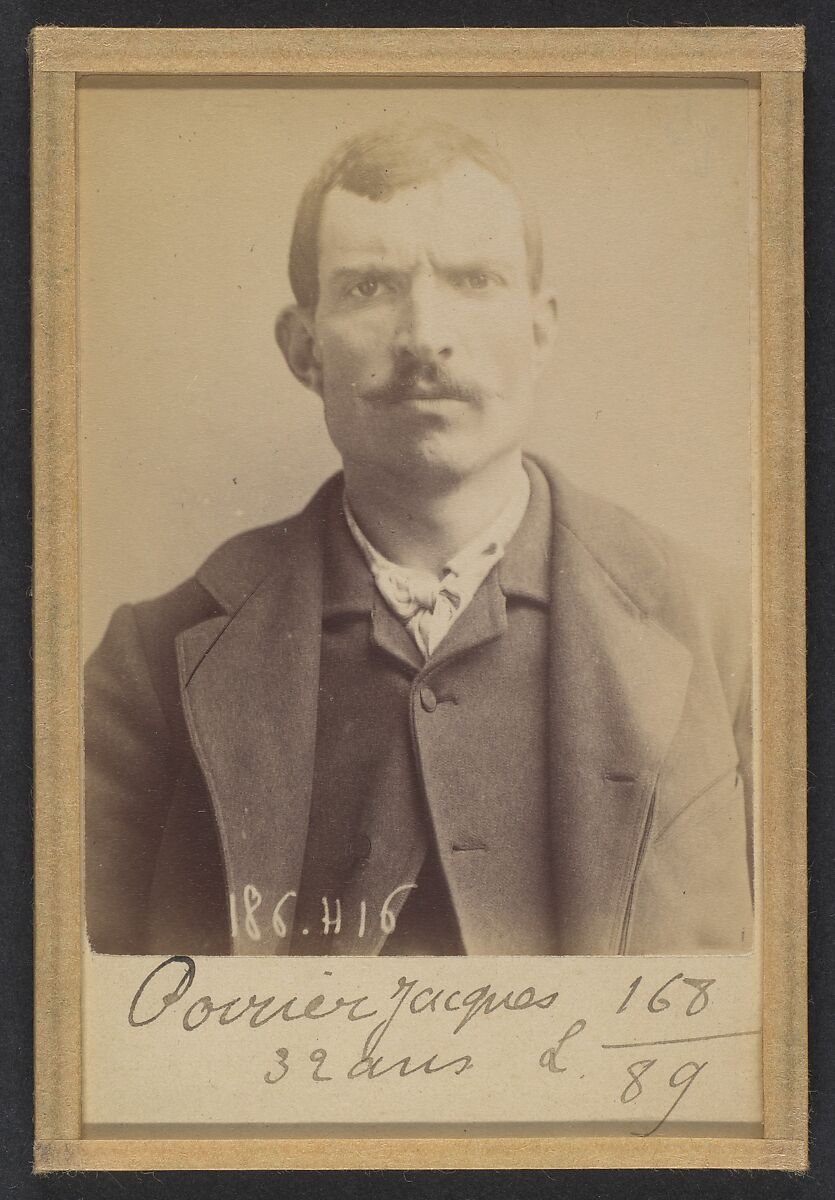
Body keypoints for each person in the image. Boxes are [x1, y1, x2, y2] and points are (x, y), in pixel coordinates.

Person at [84, 121, 753, 957]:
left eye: (475, 280)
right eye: (368, 287)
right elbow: (86, 1030)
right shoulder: (148, 665)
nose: (424, 335)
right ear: (303, 349)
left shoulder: (731, 638)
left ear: (539, 330)